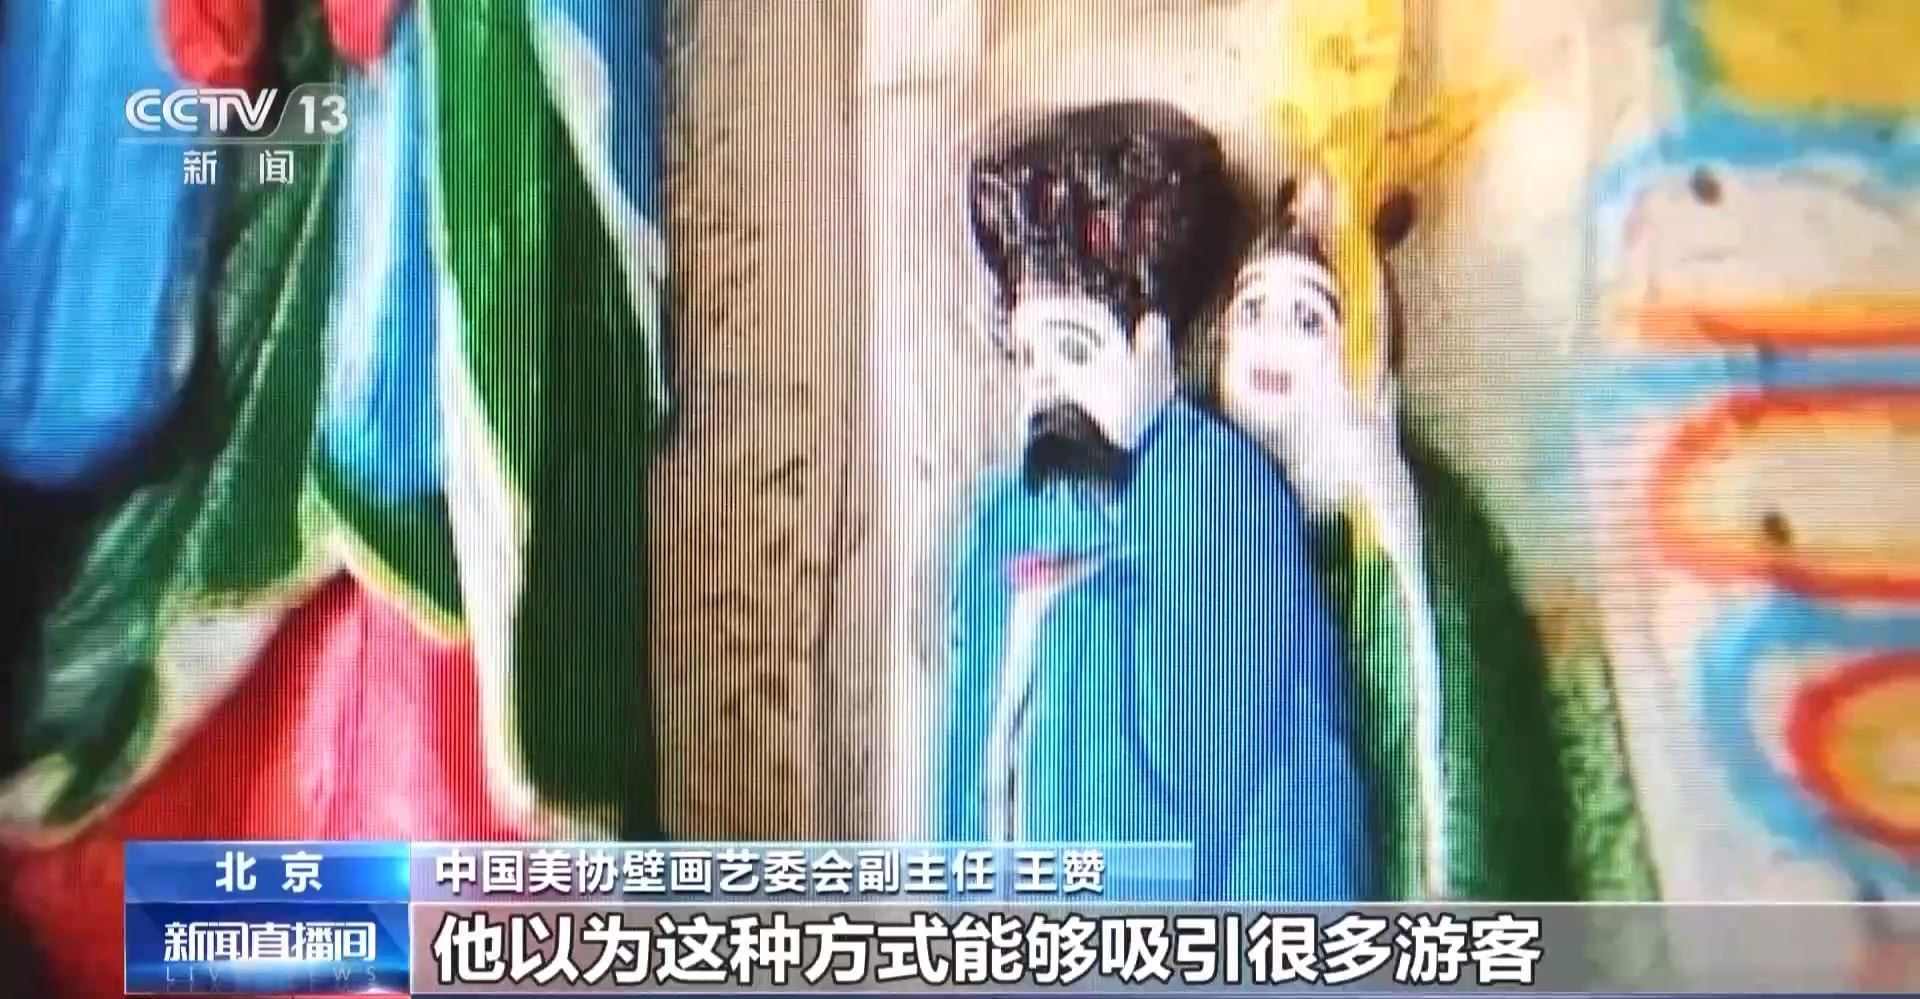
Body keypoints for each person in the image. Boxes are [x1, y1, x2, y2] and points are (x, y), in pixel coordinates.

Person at [937, 101, 1372, 902]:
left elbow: (1268, 786)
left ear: (1154, 346)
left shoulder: (1222, 501)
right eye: (1028, 355)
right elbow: (966, 763)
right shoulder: (1001, 521)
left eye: (1073, 349)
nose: (1044, 383)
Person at [1213, 171, 1658, 901]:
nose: (1270, 342)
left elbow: (1448, 749)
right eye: (1252, 311)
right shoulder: (1193, 493)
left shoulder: (1412, 529)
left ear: (1363, 353)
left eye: (1307, 320)